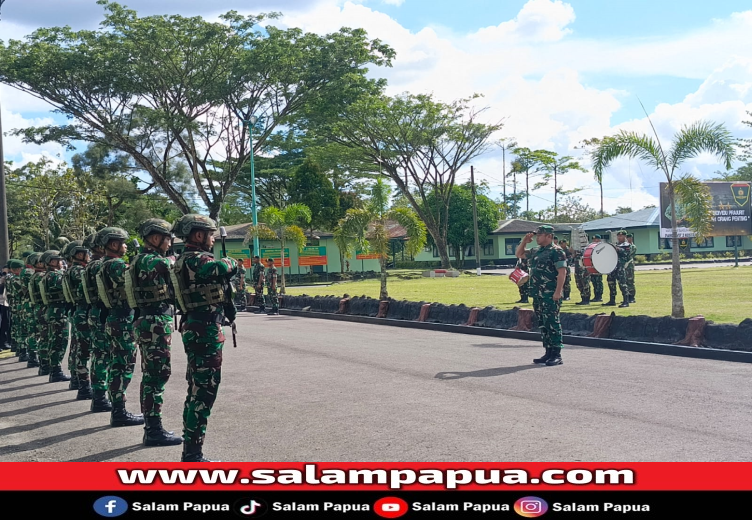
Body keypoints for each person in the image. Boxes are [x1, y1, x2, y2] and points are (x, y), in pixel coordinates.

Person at [171, 214, 238, 462]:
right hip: (204, 330)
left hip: (199, 327)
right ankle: (192, 453)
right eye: (209, 234)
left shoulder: (184, 260)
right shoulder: (197, 260)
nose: (211, 239)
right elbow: (218, 268)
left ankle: (191, 448)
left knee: (197, 389)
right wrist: (231, 262)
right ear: (198, 235)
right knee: (204, 391)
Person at [129, 218, 182, 446]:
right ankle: (153, 429)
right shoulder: (149, 260)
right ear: (154, 238)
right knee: (156, 374)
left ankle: (152, 427)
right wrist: (177, 260)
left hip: (151, 320)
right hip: (153, 322)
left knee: (153, 375)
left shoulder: (142, 259)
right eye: (167, 238)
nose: (170, 243)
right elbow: (169, 267)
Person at [98, 227, 143, 427]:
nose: (125, 245)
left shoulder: (104, 264)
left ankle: (118, 408)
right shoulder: (115, 265)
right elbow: (133, 279)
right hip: (122, 318)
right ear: (113, 244)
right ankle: (119, 410)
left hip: (115, 317)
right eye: (122, 242)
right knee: (122, 365)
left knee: (117, 364)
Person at [516, 225, 567, 366]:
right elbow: (519, 254)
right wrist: (524, 241)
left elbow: (562, 272)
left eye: (540, 235)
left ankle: (557, 354)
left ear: (549, 236)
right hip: (537, 293)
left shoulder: (557, 251)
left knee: (552, 322)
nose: (537, 237)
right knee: (543, 323)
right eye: (537, 235)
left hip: (550, 293)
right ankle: (548, 352)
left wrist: (558, 291)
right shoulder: (536, 250)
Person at [84, 232, 113, 413]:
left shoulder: (91, 265)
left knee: (98, 354)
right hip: (102, 311)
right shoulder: (100, 265)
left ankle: (98, 395)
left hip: (95, 311)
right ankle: (100, 396)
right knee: (103, 355)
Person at [64, 240, 94, 400]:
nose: (88, 255)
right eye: (85, 253)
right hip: (83, 311)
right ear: (78, 254)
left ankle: (77, 380)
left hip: (79, 310)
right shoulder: (77, 271)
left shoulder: (72, 269)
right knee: (84, 350)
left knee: (78, 347)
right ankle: (83, 385)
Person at [39, 250, 72, 382]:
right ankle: (56, 370)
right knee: (59, 342)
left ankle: (54, 370)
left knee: (54, 341)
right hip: (58, 312)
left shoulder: (47, 276)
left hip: (53, 311)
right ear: (52, 262)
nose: (61, 263)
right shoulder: (54, 276)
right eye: (58, 260)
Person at [28, 253, 49, 374]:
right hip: (43, 308)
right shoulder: (40, 276)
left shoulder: (34, 276)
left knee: (41, 336)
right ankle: (45, 365)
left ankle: (43, 365)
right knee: (46, 338)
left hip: (38, 308)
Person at [20, 254, 39, 367]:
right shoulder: (28, 272)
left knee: (32, 331)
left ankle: (32, 356)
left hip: (29, 303)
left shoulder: (25, 271)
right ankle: (32, 357)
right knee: (33, 332)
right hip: (30, 304)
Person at [604, 230, 631, 308]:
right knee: (611, 283)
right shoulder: (616, 245)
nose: (620, 237)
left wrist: (618, 249)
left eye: (621, 236)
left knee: (622, 284)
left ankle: (626, 301)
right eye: (618, 236)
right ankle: (612, 300)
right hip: (612, 267)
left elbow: (627, 255)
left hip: (620, 267)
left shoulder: (627, 245)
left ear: (625, 237)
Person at [5, 259, 26, 358]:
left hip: (14, 304)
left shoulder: (10, 278)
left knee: (17, 328)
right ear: (17, 269)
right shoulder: (16, 279)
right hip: (19, 305)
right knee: (22, 329)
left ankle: (17, 348)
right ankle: (22, 351)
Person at [589, 235, 604, 302]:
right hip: (593, 266)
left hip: (599, 266)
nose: (595, 241)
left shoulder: (602, 247)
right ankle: (596, 296)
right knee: (594, 282)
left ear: (599, 240)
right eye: (594, 239)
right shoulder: (592, 247)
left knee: (598, 282)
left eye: (597, 239)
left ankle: (599, 296)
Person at [626, 233, 637, 303]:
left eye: (628, 238)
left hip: (629, 265)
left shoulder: (632, 246)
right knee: (625, 282)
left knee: (630, 281)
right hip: (624, 266)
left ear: (630, 239)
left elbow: (628, 254)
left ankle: (632, 297)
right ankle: (627, 297)